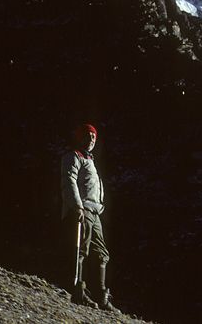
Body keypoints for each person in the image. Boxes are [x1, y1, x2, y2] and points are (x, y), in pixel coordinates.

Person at [61, 123, 118, 311]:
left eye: (94, 137)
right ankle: (78, 290)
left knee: (102, 253)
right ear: (79, 137)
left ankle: (102, 295)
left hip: (94, 212)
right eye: (88, 136)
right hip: (83, 209)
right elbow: (69, 180)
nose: (91, 140)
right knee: (81, 250)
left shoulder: (90, 160)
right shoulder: (73, 156)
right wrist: (76, 205)